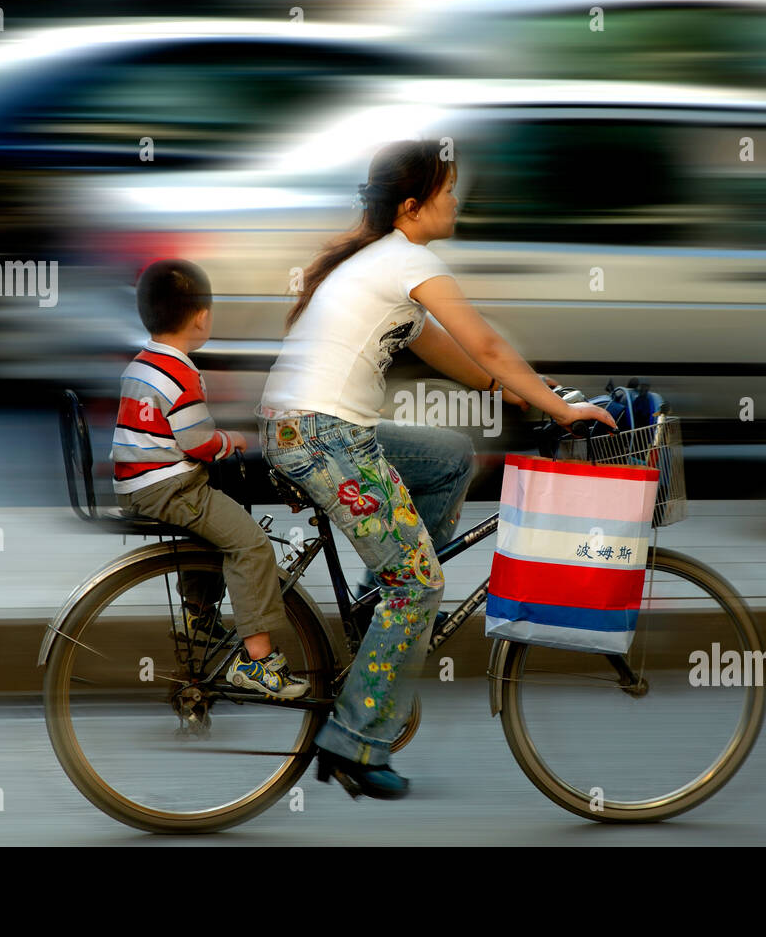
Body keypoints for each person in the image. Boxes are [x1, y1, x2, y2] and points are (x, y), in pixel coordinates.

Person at [256, 139, 615, 799]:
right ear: (413, 206)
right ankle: (354, 742)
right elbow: (485, 340)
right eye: (449, 190)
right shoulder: (404, 259)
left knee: (450, 459)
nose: (459, 199)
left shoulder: (374, 260)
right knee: (419, 583)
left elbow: (455, 354)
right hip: (323, 438)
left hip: (316, 429)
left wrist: (523, 390)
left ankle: (375, 625)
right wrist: (559, 413)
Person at [111, 258, 308, 699]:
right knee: (251, 544)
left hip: (139, 484)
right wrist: (232, 440)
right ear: (201, 317)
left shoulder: (139, 366)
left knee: (223, 518)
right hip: (170, 488)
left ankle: (199, 617)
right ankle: (259, 661)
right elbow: (198, 442)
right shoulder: (180, 374)